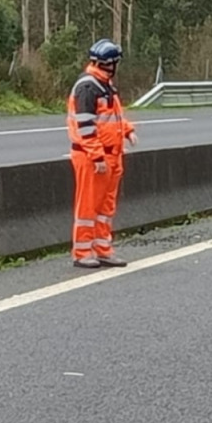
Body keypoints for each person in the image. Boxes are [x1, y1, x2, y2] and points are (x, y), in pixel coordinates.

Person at [65, 39, 136, 268]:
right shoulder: (88, 87)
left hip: (111, 155)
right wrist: (97, 156)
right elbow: (86, 127)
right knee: (88, 207)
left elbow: (112, 118)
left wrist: (127, 131)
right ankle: (82, 252)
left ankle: (102, 249)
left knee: (105, 208)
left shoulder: (105, 85)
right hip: (92, 158)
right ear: (111, 63)